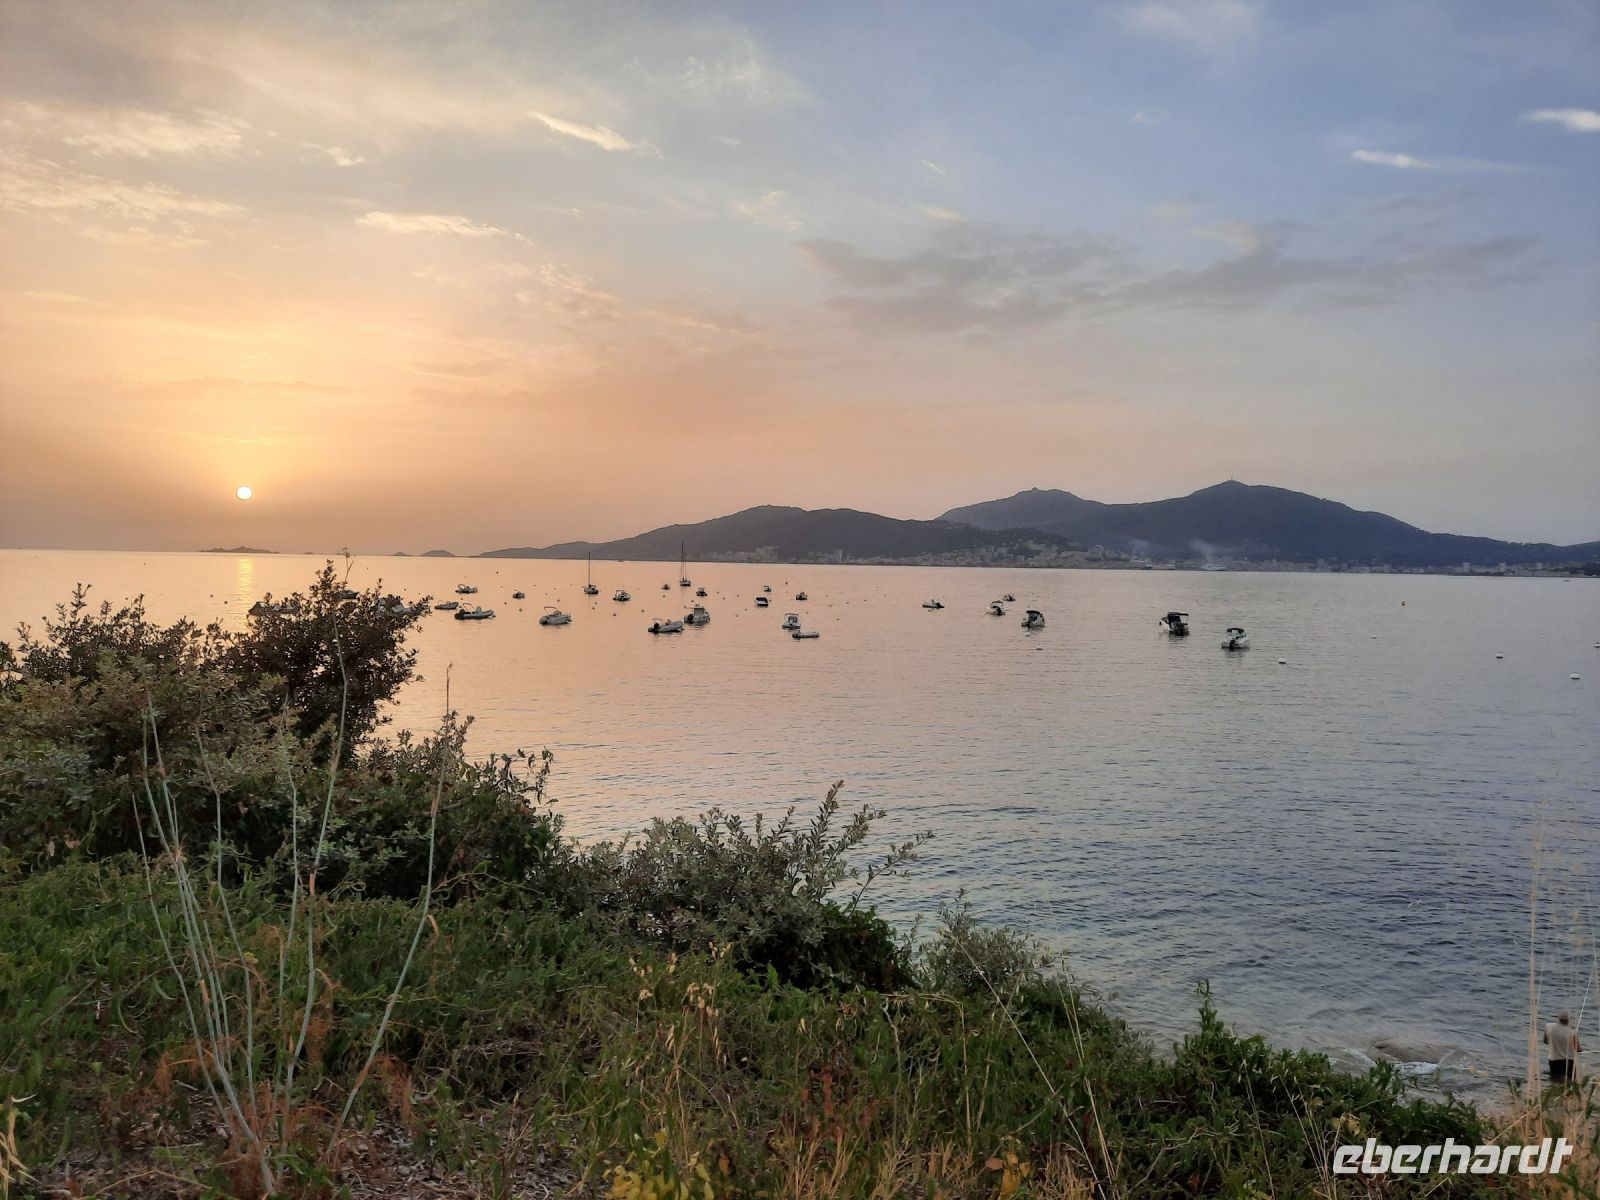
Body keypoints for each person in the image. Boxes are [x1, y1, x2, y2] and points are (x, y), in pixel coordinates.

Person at [1544, 1010, 1582, 1084]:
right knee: (1571, 1083)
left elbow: (1546, 1041)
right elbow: (1578, 1049)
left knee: (1554, 1081)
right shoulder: (1572, 1032)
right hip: (1569, 1062)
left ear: (1558, 1018)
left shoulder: (1548, 1026)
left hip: (1554, 1061)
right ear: (1568, 1020)